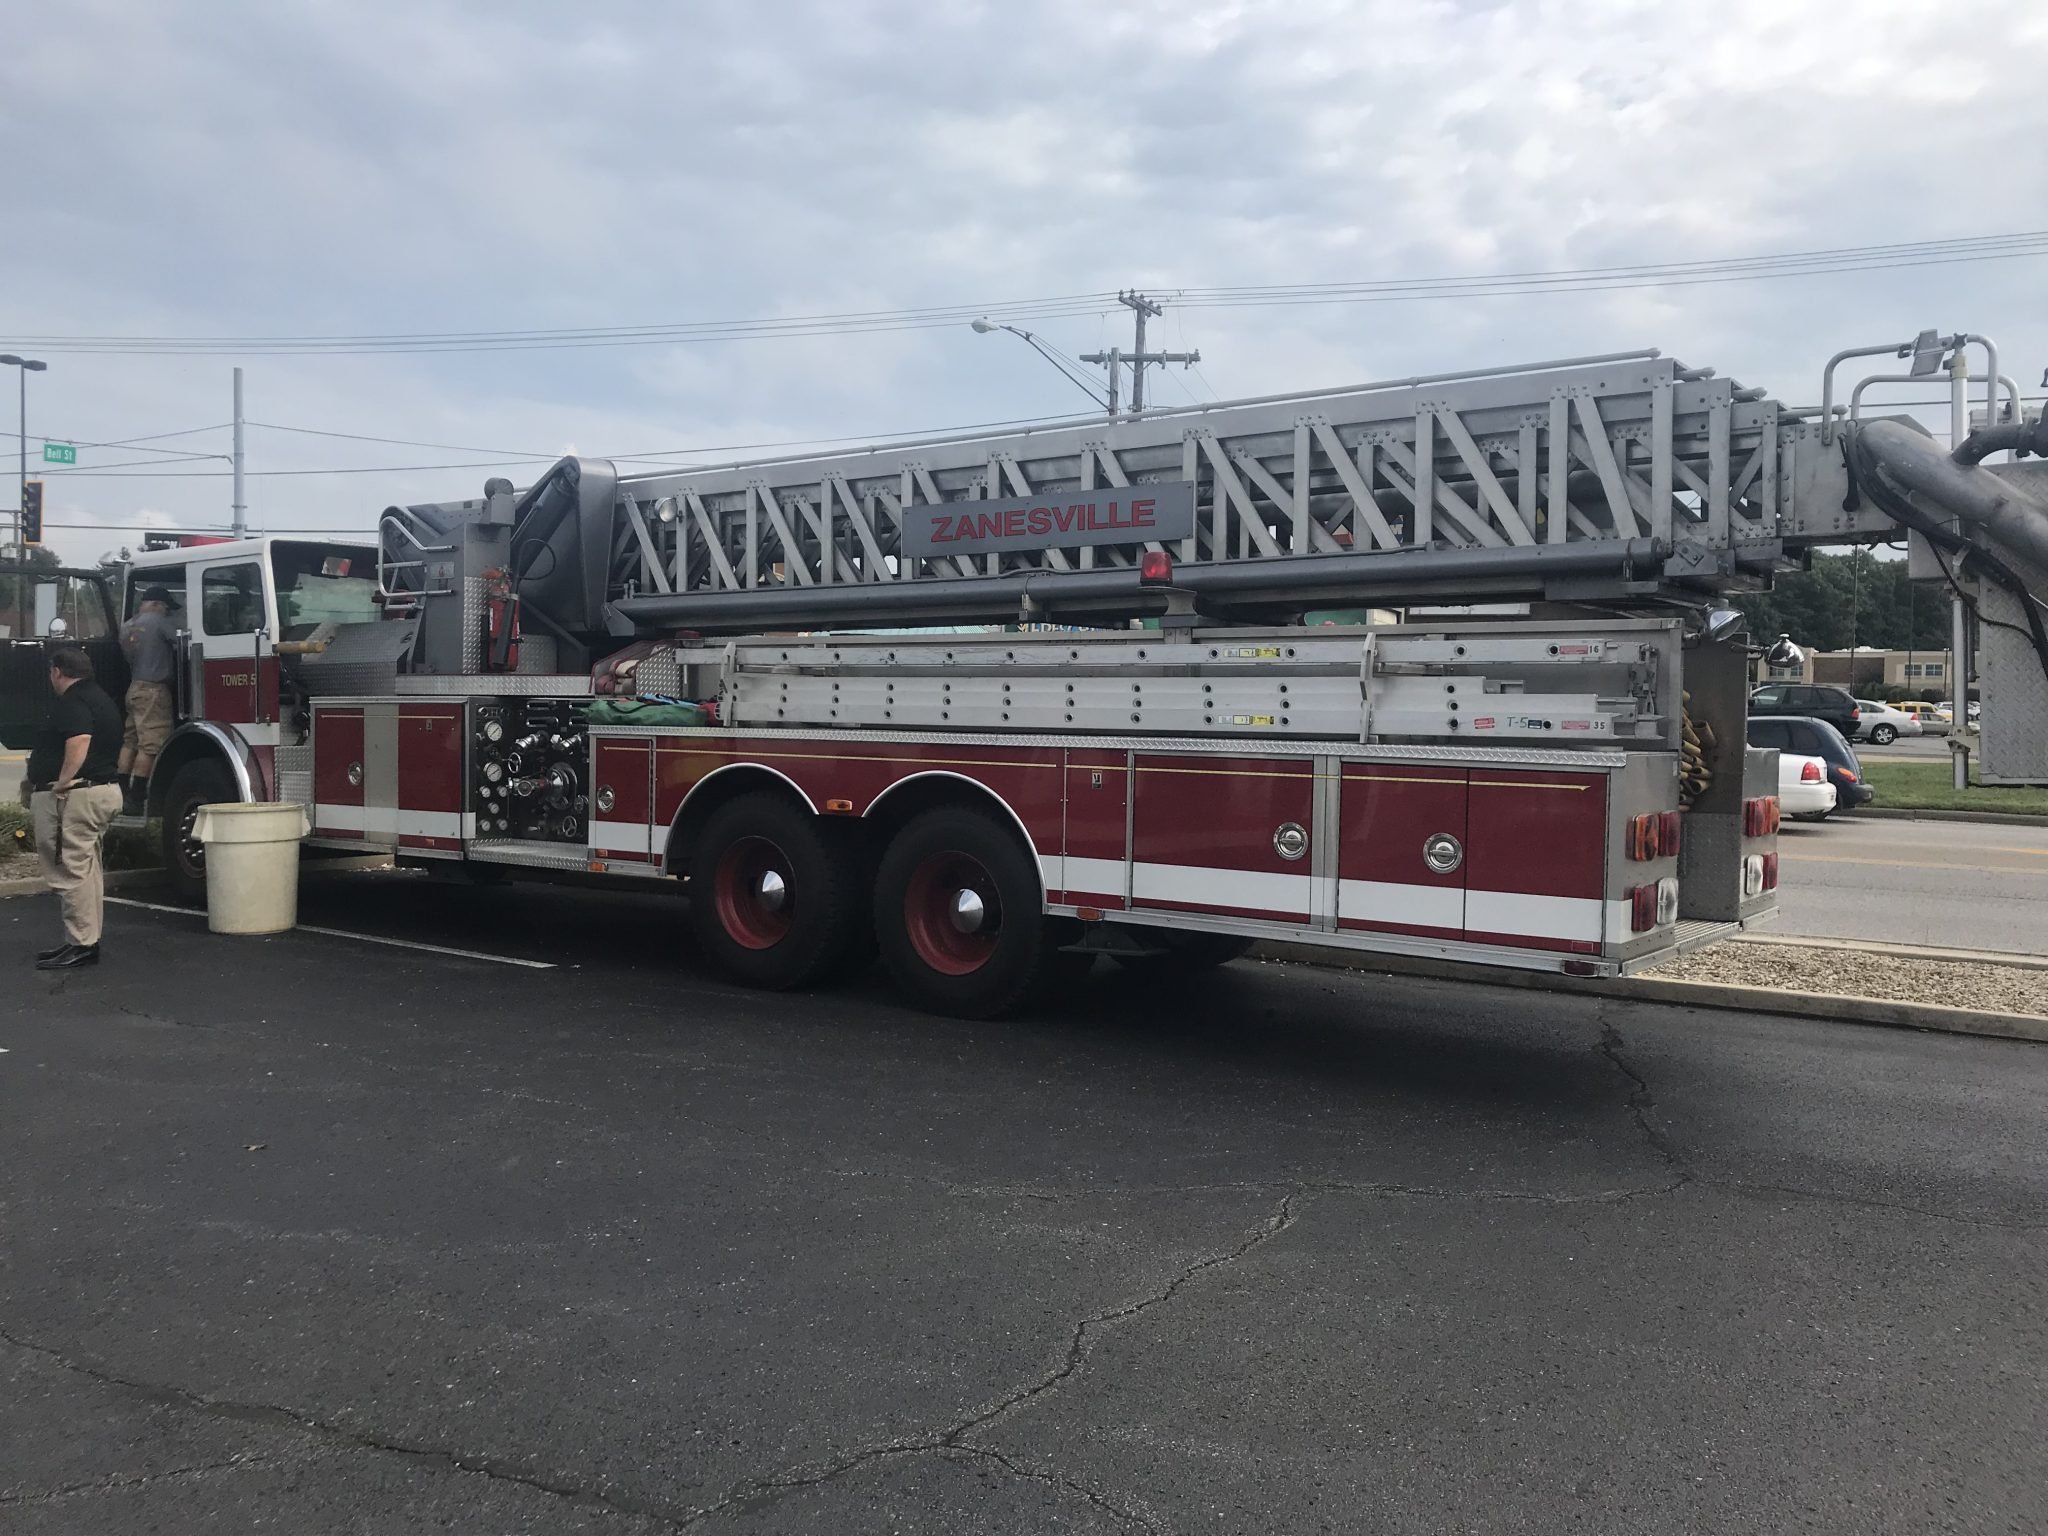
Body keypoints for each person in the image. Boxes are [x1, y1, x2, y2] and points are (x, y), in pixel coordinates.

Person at [20, 647, 125, 970]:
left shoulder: (73, 701)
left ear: (56, 671)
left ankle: (81, 944)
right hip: (101, 791)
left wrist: (64, 781)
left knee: (69, 869)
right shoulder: (100, 698)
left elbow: (79, 739)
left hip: (75, 797)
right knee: (87, 869)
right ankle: (84, 939)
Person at [118, 585, 178, 817]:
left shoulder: (127, 626)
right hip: (154, 690)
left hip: (134, 687)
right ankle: (136, 798)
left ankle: (121, 793)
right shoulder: (159, 622)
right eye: (165, 607)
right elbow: (184, 641)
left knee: (130, 741)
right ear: (155, 604)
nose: (166, 612)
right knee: (151, 744)